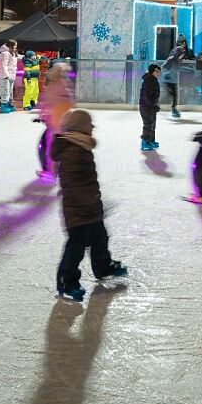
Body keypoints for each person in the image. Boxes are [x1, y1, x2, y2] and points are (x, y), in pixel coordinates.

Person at [53, 109, 128, 301]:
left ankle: (103, 267)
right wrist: (87, 203)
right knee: (76, 247)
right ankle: (67, 281)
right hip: (78, 211)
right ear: (80, 127)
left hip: (89, 207)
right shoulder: (73, 150)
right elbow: (73, 184)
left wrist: (94, 204)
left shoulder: (80, 147)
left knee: (100, 238)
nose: (92, 127)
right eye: (89, 124)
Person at [37, 62, 75, 180]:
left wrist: (42, 115)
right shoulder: (66, 84)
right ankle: (64, 170)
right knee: (61, 147)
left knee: (50, 148)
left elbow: (47, 102)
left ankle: (51, 172)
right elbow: (70, 103)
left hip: (55, 125)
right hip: (64, 125)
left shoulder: (54, 85)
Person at [161, 38, 193, 119]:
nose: (182, 56)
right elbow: (163, 67)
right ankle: (157, 105)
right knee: (169, 94)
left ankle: (174, 109)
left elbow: (180, 68)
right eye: (181, 54)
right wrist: (166, 74)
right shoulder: (171, 59)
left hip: (174, 80)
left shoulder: (179, 61)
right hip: (168, 80)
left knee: (175, 95)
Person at [139, 64, 161, 152]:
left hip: (151, 106)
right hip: (146, 106)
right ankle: (144, 142)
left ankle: (151, 140)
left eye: (159, 71)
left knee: (153, 123)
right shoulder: (149, 81)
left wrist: (155, 105)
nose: (158, 73)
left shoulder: (153, 79)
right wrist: (152, 105)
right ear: (152, 71)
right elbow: (145, 96)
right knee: (148, 123)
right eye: (157, 71)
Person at [0, 39, 19, 113]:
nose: (16, 47)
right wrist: (6, 75)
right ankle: (3, 106)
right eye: (14, 45)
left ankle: (8, 104)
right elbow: (4, 64)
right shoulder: (5, 53)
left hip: (11, 75)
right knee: (5, 90)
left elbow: (18, 57)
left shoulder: (12, 53)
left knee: (10, 91)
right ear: (10, 45)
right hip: (4, 75)